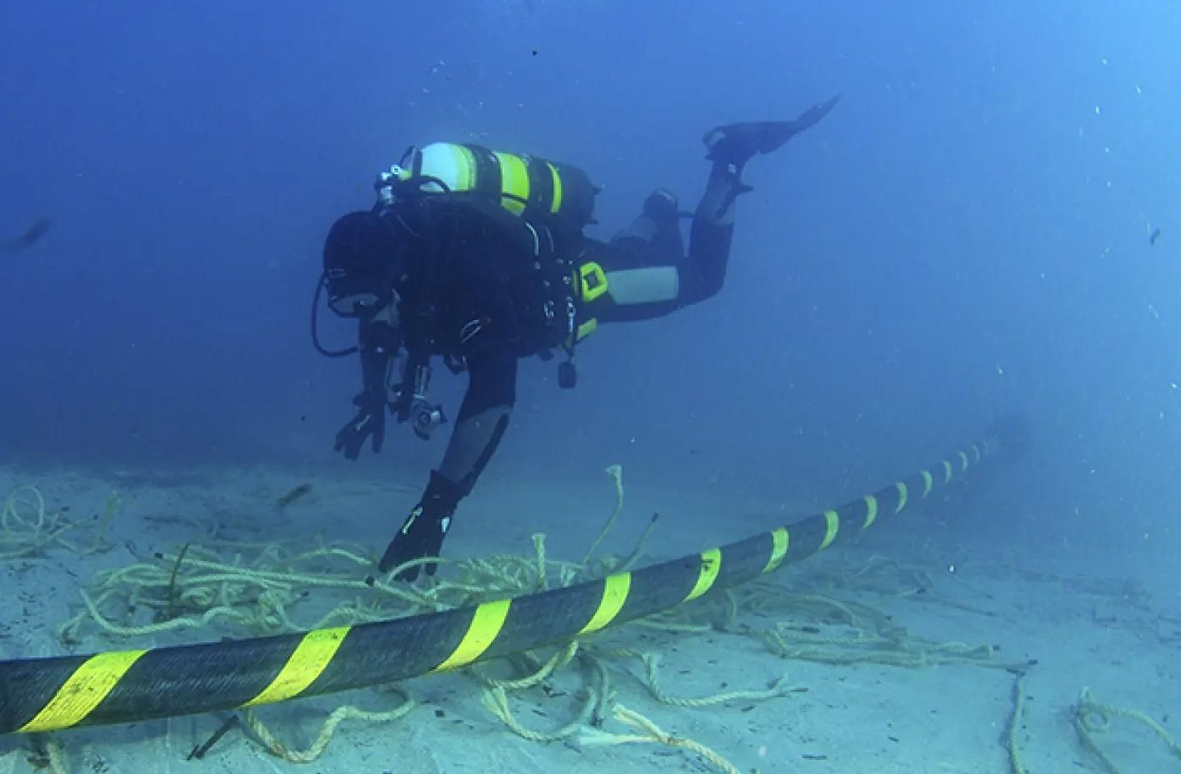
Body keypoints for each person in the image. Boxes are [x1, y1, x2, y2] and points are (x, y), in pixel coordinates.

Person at [314, 96, 840, 582]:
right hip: (556, 271)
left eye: (367, 300)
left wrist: (438, 507)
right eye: (348, 305)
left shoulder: (464, 273)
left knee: (701, 279)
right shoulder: (394, 267)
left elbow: (494, 392)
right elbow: (376, 322)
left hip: (581, 289)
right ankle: (656, 215)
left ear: (397, 272)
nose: (365, 314)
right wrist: (373, 396)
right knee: (624, 257)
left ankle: (730, 159)